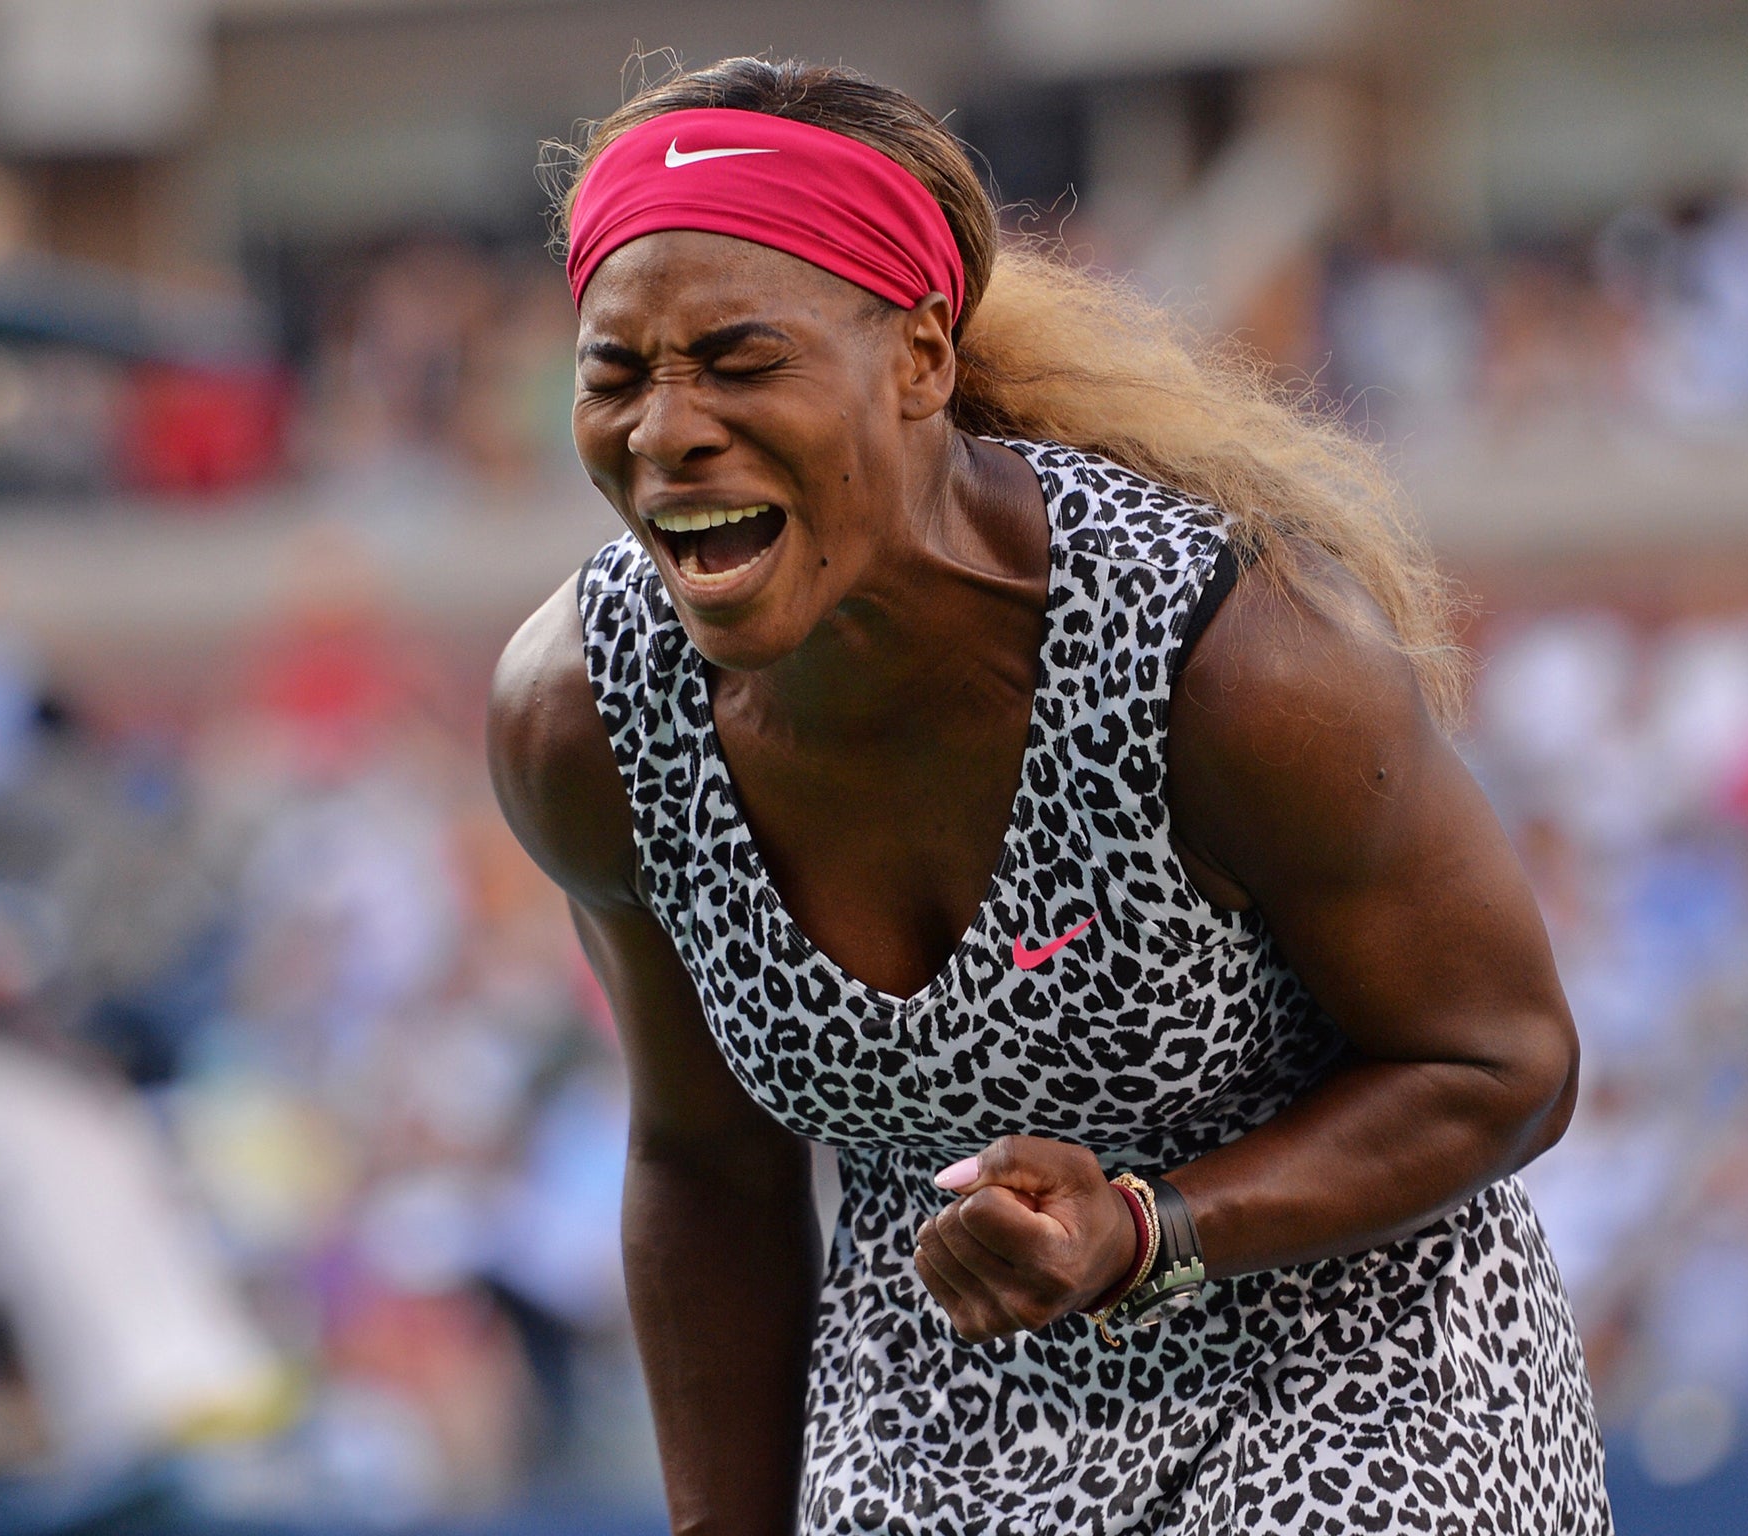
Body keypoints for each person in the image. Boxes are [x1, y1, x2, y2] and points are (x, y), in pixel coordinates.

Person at [489, 56, 1610, 1534]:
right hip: (938, 1422)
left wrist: (1150, 1230)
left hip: (1357, 1379)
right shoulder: (580, 717)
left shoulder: (1237, 660)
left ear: (921, 359)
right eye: (616, 373)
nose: (666, 431)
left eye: (741, 360)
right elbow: (706, 1165)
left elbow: (1502, 1061)